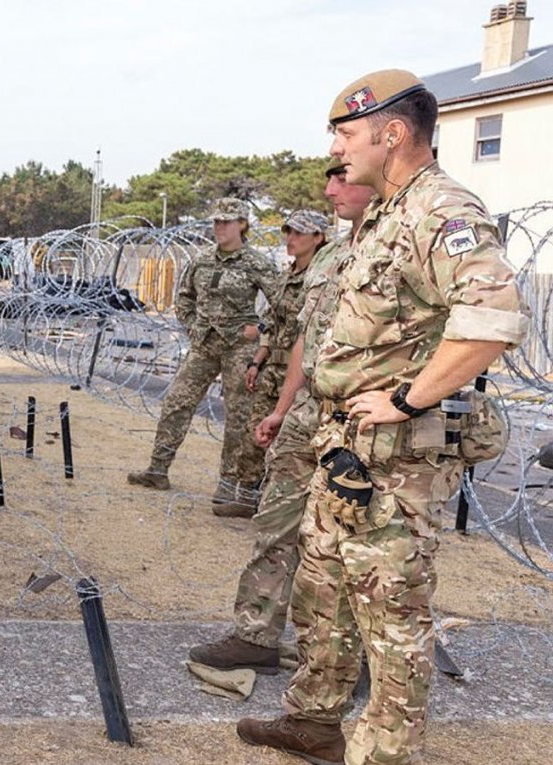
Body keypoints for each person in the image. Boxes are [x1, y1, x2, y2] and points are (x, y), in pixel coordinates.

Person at [238, 70, 529, 765]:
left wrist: (407, 398)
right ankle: (314, 721)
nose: (338, 147)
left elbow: (492, 319)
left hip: (396, 459)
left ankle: (384, 754)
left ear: (391, 133)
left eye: (345, 132)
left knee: (391, 621)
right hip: (348, 446)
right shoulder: (385, 213)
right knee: (325, 594)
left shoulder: (441, 209)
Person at [189, 165, 375, 674]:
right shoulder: (332, 258)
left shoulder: (404, 245)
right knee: (275, 524)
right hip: (306, 412)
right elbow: (304, 336)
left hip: (364, 421)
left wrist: (401, 403)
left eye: (345, 176)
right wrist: (280, 409)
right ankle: (256, 634)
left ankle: (342, 659)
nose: (331, 188)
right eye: (331, 178)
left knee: (348, 543)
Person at [127, 197, 280, 514]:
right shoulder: (202, 260)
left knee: (237, 417)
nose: (219, 227)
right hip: (204, 345)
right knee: (176, 403)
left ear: (242, 224)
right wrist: (194, 328)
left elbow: (283, 306)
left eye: (226, 221)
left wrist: (261, 328)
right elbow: (184, 299)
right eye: (216, 221)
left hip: (240, 348)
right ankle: (158, 469)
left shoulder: (257, 263)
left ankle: (228, 485)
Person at [216, 209, 331, 520]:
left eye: (298, 233)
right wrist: (257, 359)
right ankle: (247, 497)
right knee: (254, 435)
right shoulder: (288, 274)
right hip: (272, 370)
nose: (290, 239)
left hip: (301, 375)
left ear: (318, 238)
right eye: (288, 232)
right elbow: (270, 321)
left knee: (290, 444)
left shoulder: (322, 279)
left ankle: (279, 507)